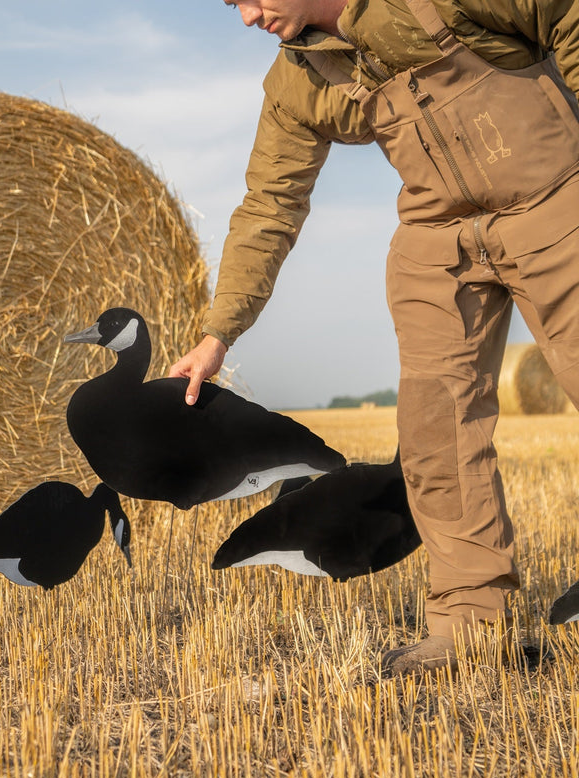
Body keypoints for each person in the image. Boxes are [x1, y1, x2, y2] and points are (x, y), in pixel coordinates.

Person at [169, 0, 579, 676]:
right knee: (433, 430)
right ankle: (471, 626)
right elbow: (271, 201)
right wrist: (219, 333)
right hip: (438, 232)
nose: (246, 17)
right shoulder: (298, 78)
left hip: (554, 199)